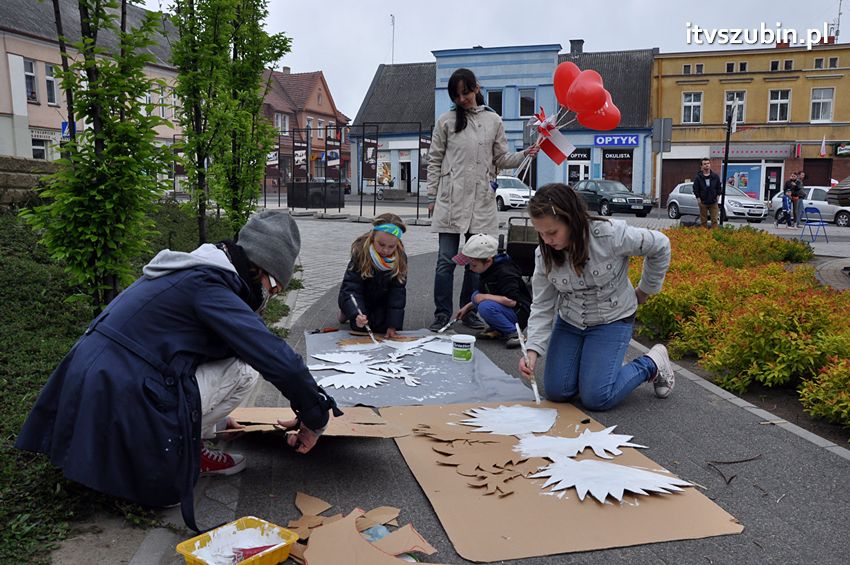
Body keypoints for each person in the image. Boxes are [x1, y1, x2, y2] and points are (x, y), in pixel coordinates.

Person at [15, 211, 339, 530]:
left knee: (232, 359)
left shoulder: (190, 272)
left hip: (99, 388)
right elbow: (274, 356)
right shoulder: (210, 286)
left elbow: (183, 348)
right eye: (276, 288)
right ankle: (185, 454)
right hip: (124, 395)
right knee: (243, 369)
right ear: (262, 272)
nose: (270, 297)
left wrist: (217, 417)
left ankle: (191, 436)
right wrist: (315, 416)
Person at [518, 184, 675, 411]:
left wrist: (646, 290)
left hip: (612, 319)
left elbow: (660, 245)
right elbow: (542, 305)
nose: (546, 239)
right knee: (556, 391)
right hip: (570, 321)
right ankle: (600, 367)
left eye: (552, 232)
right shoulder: (543, 255)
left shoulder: (610, 235)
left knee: (596, 398)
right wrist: (532, 352)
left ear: (571, 220)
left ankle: (653, 363)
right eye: (540, 232)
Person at [426, 67, 539, 332]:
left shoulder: (494, 121)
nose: (462, 99)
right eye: (456, 95)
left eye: (465, 92)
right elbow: (434, 159)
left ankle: (468, 311)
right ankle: (442, 314)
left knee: (475, 261)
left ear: (476, 88)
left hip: (481, 202)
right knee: (445, 261)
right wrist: (431, 196)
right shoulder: (445, 121)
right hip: (451, 200)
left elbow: (501, 159)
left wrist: (525, 153)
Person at [451, 233, 532, 349]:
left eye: (473, 265)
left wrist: (483, 297)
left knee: (485, 305)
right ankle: (498, 329)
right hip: (507, 308)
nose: (471, 268)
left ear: (488, 261)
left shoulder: (506, 272)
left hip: (519, 312)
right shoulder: (487, 269)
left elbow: (512, 301)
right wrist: (467, 307)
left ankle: (515, 333)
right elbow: (484, 295)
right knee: (476, 296)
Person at [337, 213, 408, 338]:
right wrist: (356, 313)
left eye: (391, 246)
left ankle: (354, 314)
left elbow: (397, 293)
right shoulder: (361, 255)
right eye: (381, 245)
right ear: (372, 237)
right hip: (361, 297)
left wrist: (393, 325)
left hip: (381, 300)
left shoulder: (400, 259)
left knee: (381, 327)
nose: (385, 251)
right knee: (360, 325)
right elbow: (351, 289)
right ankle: (346, 312)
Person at [693, 158, 723, 228]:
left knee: (715, 220)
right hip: (703, 203)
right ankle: (704, 236)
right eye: (705, 164)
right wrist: (699, 200)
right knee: (703, 221)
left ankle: (714, 236)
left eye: (708, 163)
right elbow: (695, 189)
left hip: (713, 202)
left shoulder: (715, 176)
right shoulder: (698, 177)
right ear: (702, 166)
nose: (707, 165)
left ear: (710, 165)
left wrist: (717, 198)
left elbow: (719, 188)